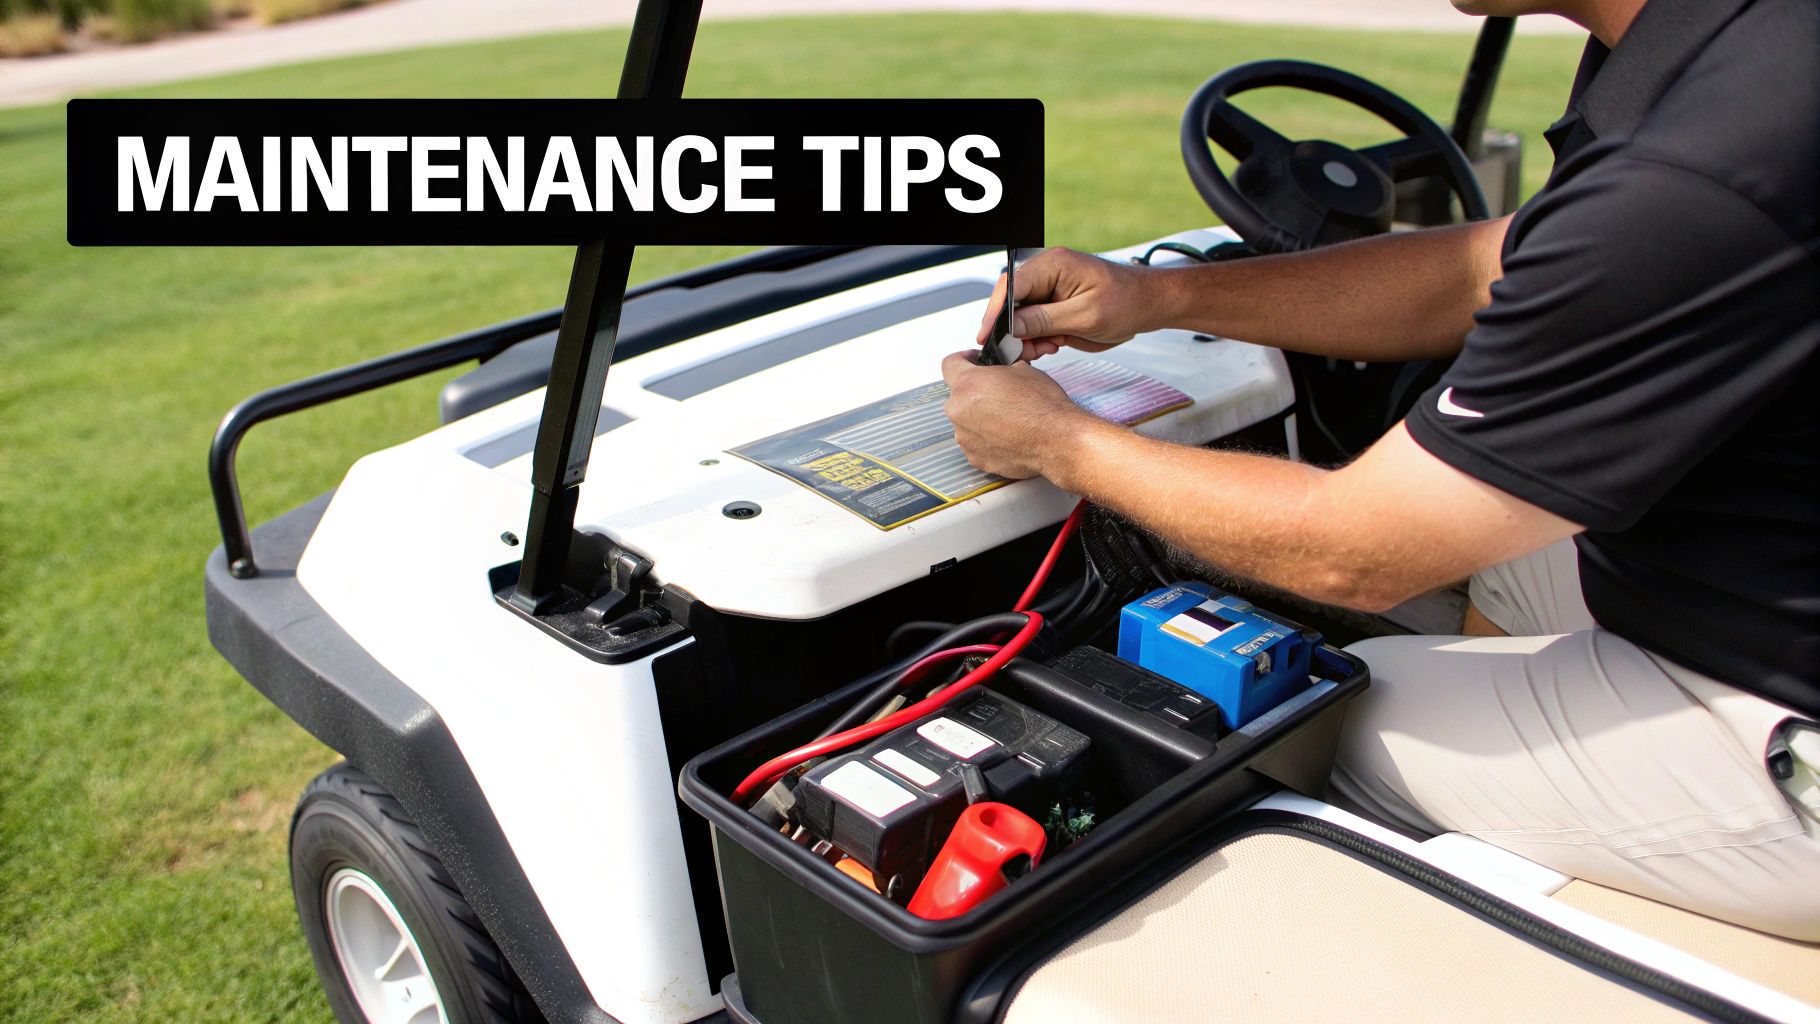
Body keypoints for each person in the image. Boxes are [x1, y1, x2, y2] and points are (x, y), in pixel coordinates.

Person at [942, 0, 1819, 940]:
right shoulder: (1715, 46)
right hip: (1755, 572)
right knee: (1512, 558)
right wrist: (1159, 295)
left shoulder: (1699, 166)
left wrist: (1059, 444)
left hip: (1779, 719)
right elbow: (1487, 266)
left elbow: (1354, 553)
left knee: (1323, 718)